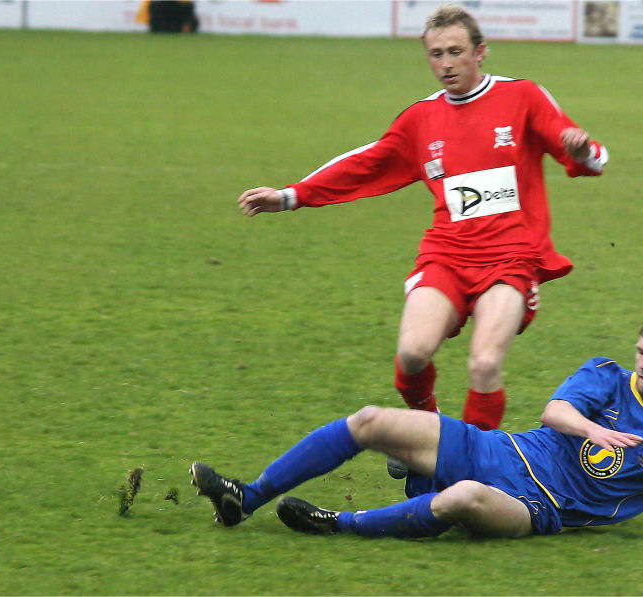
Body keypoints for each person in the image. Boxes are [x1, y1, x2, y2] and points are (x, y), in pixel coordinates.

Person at [237, 4, 610, 453]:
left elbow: (578, 148)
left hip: (510, 258)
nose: (446, 64)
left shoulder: (522, 97)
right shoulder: (421, 120)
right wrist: (291, 196)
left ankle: (474, 464)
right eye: (435, 54)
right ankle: (426, 427)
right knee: (412, 354)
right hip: (447, 255)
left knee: (485, 363)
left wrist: (584, 149)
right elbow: (367, 162)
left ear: (481, 51)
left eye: (455, 51)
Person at [192, 311, 643, 542]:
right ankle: (247, 497)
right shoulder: (606, 375)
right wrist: (594, 431)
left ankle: (339, 523)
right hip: (500, 450)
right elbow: (555, 412)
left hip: (540, 509)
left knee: (463, 498)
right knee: (369, 420)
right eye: (640, 352)